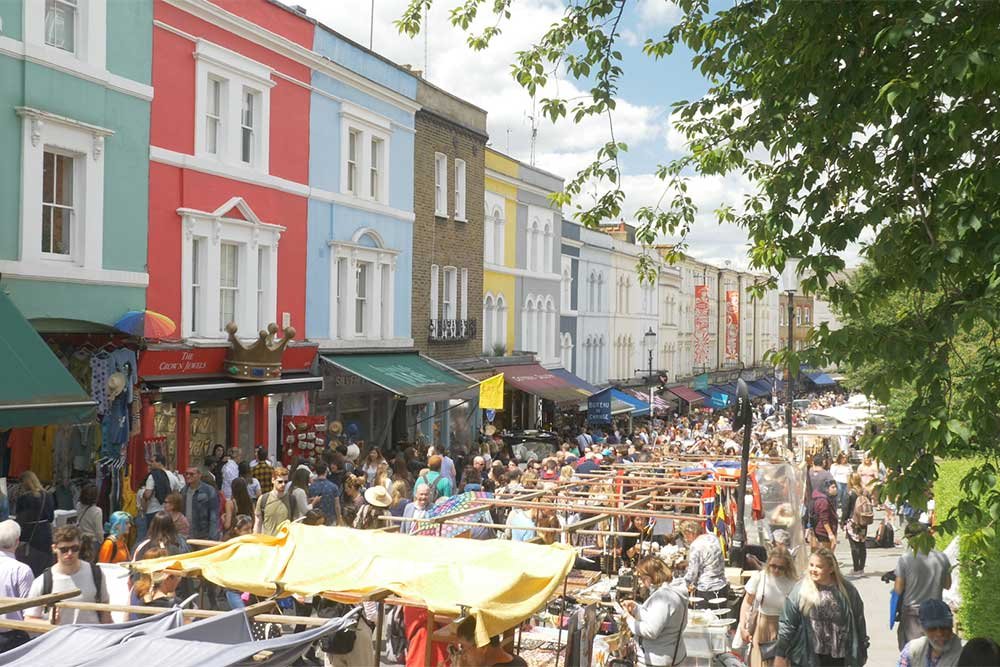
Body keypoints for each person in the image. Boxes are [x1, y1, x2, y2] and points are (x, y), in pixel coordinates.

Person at [774, 548, 868, 667]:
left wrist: (862, 649)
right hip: (808, 657)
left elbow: (859, 621)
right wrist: (780, 655)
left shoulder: (847, 591)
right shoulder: (800, 590)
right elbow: (787, 625)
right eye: (811, 565)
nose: (813, 570)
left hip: (840, 657)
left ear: (831, 569)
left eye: (819, 566)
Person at [25, 525, 111, 625]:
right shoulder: (43, 581)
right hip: (61, 638)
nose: (70, 553)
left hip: (93, 637)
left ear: (80, 545)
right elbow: (29, 619)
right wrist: (49, 623)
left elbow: (105, 610)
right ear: (54, 548)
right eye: (64, 549)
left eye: (74, 548)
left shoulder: (96, 573)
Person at [621, 556, 688, 666]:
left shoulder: (663, 597)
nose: (642, 583)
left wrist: (629, 619)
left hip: (659, 659)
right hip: (671, 654)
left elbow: (651, 631)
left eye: (642, 578)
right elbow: (658, 618)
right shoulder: (672, 591)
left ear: (649, 578)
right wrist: (637, 609)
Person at [894, 522, 952, 649]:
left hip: (913, 613)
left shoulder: (905, 559)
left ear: (910, 539)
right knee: (934, 652)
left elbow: (898, 589)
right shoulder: (942, 557)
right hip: (936, 613)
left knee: (914, 653)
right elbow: (948, 585)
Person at [740, 548, 798, 667]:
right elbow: (747, 602)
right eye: (773, 566)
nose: (776, 570)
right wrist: (743, 627)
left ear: (787, 566)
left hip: (784, 630)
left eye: (780, 567)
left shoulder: (793, 583)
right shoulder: (760, 577)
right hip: (761, 627)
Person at [0, 520, 35, 652]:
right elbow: (29, 609)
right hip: (12, 637)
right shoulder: (22, 570)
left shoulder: (21, 570)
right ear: (17, 541)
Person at [896, 599, 962, 667]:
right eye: (932, 629)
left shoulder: (965, 653)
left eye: (944, 627)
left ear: (951, 626)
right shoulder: (911, 650)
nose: (939, 633)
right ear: (923, 628)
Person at [680, 520, 730, 609]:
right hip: (721, 585)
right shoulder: (713, 538)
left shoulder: (695, 545)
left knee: (704, 619)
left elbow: (692, 573)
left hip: (706, 588)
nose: (686, 539)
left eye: (686, 536)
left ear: (690, 533)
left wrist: (681, 584)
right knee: (720, 617)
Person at [13, 471, 54, 576]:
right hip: (46, 535)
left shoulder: (23, 498)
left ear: (24, 483)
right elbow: (51, 518)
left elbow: (20, 520)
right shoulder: (47, 495)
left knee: (30, 567)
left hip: (30, 537)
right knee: (44, 568)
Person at [180, 466, 221, 541]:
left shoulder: (209, 491)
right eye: (186, 474)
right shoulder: (183, 491)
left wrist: (213, 536)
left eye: (191, 474)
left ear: (199, 475)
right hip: (186, 535)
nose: (188, 476)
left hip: (203, 535)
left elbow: (214, 515)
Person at [841, 474, 870, 574]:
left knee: (854, 545)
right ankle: (861, 568)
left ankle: (856, 568)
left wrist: (842, 522)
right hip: (863, 521)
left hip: (852, 521)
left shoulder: (849, 493)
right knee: (862, 543)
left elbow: (845, 509)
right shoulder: (865, 492)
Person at [254, 467, 291, 536]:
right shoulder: (263, 499)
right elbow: (258, 524)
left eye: (286, 482)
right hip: (268, 543)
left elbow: (296, 524)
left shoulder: (292, 499)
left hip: (285, 543)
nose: (283, 484)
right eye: (280, 481)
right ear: (273, 480)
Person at [142, 455, 172, 533]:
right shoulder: (172, 476)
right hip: (167, 512)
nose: (150, 464)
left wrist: (143, 494)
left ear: (159, 463)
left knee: (152, 536)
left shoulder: (152, 476)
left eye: (152, 461)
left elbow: (148, 494)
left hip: (153, 511)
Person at [74, 482, 104, 559]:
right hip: (92, 542)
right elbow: (99, 531)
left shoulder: (78, 505)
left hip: (80, 539)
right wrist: (102, 542)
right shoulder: (97, 511)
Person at [810, 479, 839, 551]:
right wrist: (830, 534)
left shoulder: (822, 499)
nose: (835, 489)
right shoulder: (823, 501)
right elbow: (824, 520)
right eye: (833, 487)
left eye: (835, 487)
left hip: (820, 530)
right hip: (823, 532)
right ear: (826, 489)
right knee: (825, 554)